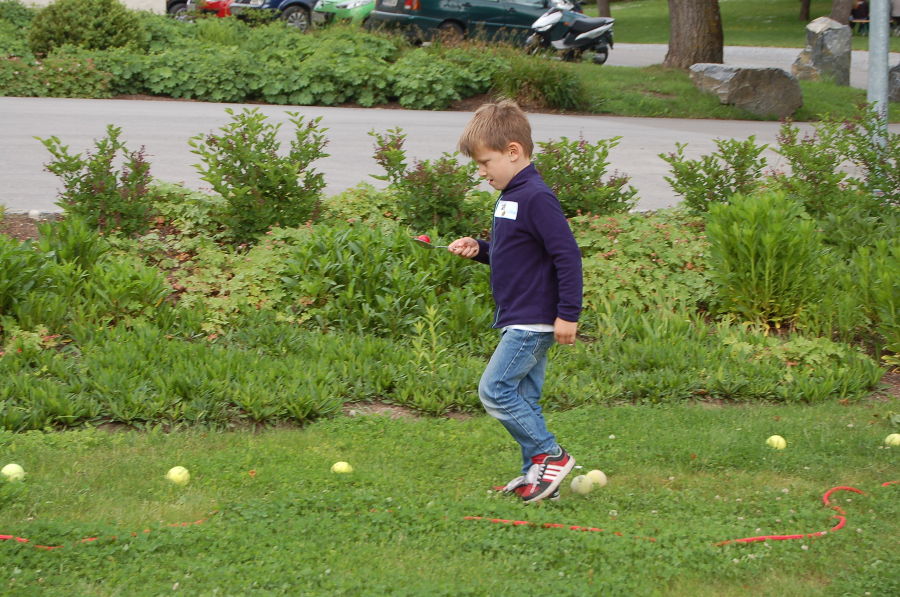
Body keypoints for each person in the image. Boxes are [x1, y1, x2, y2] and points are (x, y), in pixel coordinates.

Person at [448, 100, 582, 504]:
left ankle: (552, 455)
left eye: (485, 162)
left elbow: (566, 255)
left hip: (534, 319)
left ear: (513, 151)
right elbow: (518, 252)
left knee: (495, 390)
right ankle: (538, 477)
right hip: (520, 315)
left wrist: (567, 315)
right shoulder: (513, 195)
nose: (482, 172)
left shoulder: (536, 196)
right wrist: (481, 248)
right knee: (523, 397)